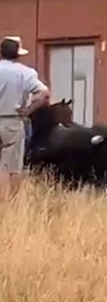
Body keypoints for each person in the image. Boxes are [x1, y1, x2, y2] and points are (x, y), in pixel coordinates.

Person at [0, 36, 50, 199]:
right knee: (11, 166)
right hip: (12, 121)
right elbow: (44, 93)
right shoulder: (25, 72)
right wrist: (28, 110)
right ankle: (9, 202)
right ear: (18, 54)